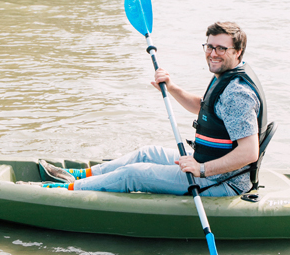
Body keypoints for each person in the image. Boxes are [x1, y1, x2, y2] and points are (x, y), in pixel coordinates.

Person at [43, 21, 267, 197]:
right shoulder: (226, 77)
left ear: (238, 51)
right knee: (146, 153)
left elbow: (249, 153)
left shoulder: (238, 94)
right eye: (209, 46)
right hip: (206, 164)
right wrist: (171, 87)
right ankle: (80, 176)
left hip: (220, 181)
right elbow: (205, 108)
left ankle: (68, 192)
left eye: (221, 48)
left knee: (134, 175)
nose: (212, 53)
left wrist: (201, 170)